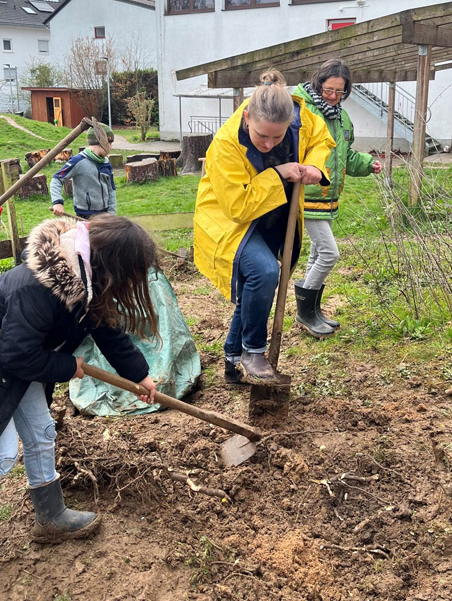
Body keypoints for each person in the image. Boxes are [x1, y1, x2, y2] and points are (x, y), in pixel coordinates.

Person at [0, 214, 159, 544]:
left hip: (19, 367)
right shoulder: (38, 288)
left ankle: (50, 517)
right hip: (10, 361)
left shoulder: (87, 284)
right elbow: (14, 353)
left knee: (42, 432)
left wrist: (140, 375)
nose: (130, 286)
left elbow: (107, 330)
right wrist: (67, 367)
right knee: (3, 454)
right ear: (112, 266)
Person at [194, 69, 333, 384]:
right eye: (261, 136)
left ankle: (233, 361)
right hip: (229, 219)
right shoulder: (225, 145)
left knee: (253, 290)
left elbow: (321, 140)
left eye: (278, 136)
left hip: (273, 216)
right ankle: (253, 350)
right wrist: (280, 172)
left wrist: (313, 165)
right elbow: (238, 207)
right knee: (265, 272)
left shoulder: (302, 122)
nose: (270, 144)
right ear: (246, 117)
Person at [293, 59, 382, 337]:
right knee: (330, 253)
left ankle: (313, 311)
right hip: (307, 196)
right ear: (318, 83)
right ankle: (304, 312)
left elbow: (346, 157)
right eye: (329, 90)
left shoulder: (342, 118)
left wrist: (367, 164)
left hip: (329, 198)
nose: (333, 96)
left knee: (318, 253)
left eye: (339, 92)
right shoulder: (301, 111)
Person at [50, 123, 116, 219]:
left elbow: (111, 189)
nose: (111, 147)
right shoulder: (78, 162)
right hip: (85, 217)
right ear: (101, 142)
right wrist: (57, 202)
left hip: (105, 216)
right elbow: (57, 180)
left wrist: (112, 214)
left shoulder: (106, 163)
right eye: (110, 143)